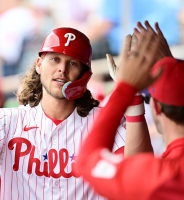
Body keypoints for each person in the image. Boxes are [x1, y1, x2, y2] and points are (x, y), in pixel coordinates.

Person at [0, 27, 151, 199]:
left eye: (72, 63)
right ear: (39, 65)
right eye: (55, 59)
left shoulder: (104, 121)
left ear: (84, 75)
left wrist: (132, 92)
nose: (62, 69)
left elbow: (139, 173)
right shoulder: (6, 121)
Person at [75, 21, 184, 199]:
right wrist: (171, 68)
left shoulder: (167, 176)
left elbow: (88, 160)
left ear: (155, 107)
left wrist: (126, 88)